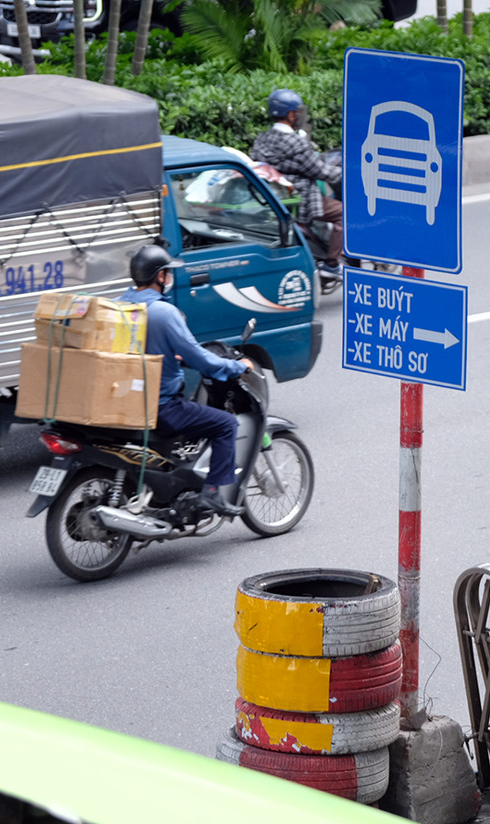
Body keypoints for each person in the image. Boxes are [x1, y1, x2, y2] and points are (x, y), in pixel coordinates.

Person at [117, 244, 254, 518]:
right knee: (226, 423)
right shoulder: (163, 313)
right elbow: (200, 358)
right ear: (159, 276)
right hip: (160, 405)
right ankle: (212, 494)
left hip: (124, 399)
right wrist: (234, 366)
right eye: (167, 273)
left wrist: (174, 358)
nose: (169, 278)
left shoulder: (121, 305)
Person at [250, 89, 344, 289]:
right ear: (291, 114)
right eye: (297, 112)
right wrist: (343, 174)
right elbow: (318, 170)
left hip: (275, 195)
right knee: (343, 214)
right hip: (301, 197)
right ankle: (332, 264)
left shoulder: (263, 138)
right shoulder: (295, 142)